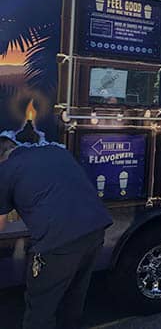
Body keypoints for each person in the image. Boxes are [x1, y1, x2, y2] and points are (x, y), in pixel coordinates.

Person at [0, 133, 112, 329]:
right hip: (95, 231)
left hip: (57, 244)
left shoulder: (6, 170)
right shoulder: (56, 151)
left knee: (40, 310)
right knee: (73, 298)